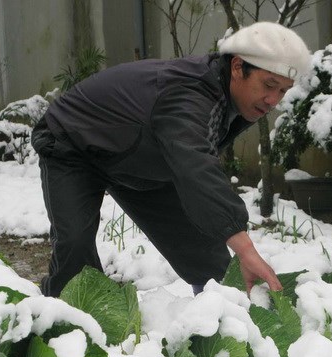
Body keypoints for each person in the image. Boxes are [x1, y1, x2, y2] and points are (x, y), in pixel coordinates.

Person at [31, 22, 311, 297]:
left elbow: (191, 162)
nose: (273, 100)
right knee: (75, 252)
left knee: (210, 261)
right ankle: (60, 325)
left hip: (141, 157)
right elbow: (195, 164)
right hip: (74, 143)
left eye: (283, 91)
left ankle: (230, 321)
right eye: (269, 85)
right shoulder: (190, 94)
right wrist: (247, 248)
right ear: (238, 67)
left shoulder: (236, 98)